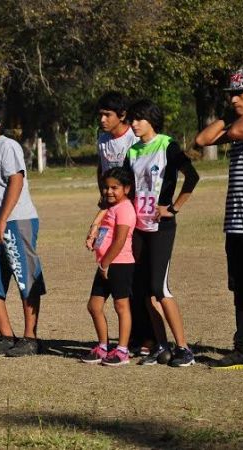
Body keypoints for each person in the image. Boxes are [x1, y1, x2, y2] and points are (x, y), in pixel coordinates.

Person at [125, 99, 200, 367]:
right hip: (138, 227)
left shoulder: (168, 145)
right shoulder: (132, 151)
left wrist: (174, 208)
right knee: (145, 289)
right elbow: (126, 188)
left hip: (161, 228)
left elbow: (192, 177)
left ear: (151, 120)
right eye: (131, 119)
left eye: (138, 119)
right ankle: (161, 346)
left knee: (160, 287)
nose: (133, 124)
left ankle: (184, 349)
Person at [0, 100, 47, 357]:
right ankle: (6, 336)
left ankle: (31, 338)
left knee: (25, 278)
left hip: (17, 220)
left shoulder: (8, 146)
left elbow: (16, 181)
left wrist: (3, 219)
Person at [195, 69, 243, 369]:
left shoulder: (242, 127)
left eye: (240, 93)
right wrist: (231, 113)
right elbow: (203, 138)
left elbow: (237, 133)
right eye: (231, 94)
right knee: (241, 288)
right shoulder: (235, 120)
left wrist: (239, 117)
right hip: (236, 224)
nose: (234, 99)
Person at [93, 91, 154, 357]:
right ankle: (125, 340)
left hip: (136, 215)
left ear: (123, 116)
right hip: (114, 211)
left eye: (108, 115)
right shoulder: (102, 140)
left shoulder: (133, 139)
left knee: (138, 280)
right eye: (100, 115)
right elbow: (101, 171)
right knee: (121, 284)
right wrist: (101, 210)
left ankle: (147, 337)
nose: (103, 120)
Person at [81, 167, 136, 366]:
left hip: (119, 264)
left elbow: (120, 241)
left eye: (115, 187)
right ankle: (103, 346)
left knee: (121, 306)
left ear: (127, 189)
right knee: (94, 306)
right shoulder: (111, 208)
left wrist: (106, 264)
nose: (109, 191)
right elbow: (106, 233)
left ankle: (122, 350)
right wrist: (93, 239)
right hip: (105, 265)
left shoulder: (126, 209)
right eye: (106, 187)